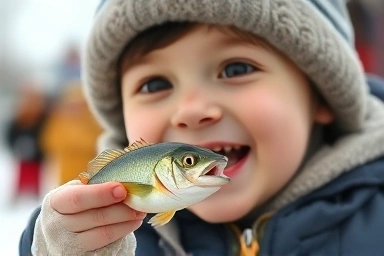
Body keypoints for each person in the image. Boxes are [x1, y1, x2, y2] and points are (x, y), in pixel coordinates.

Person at [19, 0, 384, 255]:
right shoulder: (122, 235)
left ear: (322, 96)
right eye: (155, 84)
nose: (191, 111)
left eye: (236, 69)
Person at [40, 81, 102, 186]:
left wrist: (80, 144)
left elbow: (98, 143)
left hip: (89, 174)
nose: (76, 108)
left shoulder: (94, 121)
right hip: (66, 173)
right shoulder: (58, 120)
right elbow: (49, 142)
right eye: (72, 104)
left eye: (80, 104)